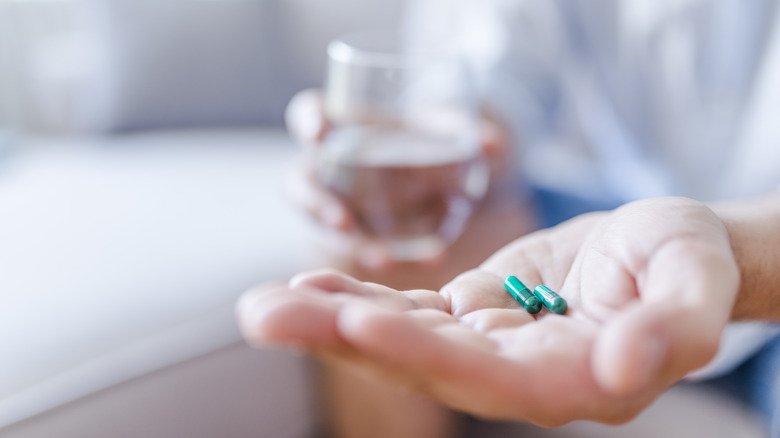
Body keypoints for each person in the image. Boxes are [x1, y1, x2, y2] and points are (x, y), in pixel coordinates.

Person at [238, 0, 780, 434]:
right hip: (623, 204)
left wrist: (746, 253)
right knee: (377, 234)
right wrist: (445, 147)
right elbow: (500, 67)